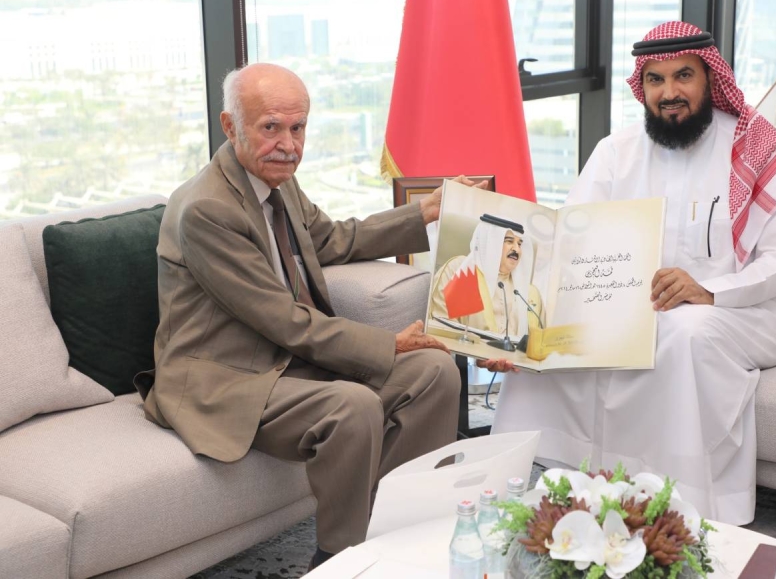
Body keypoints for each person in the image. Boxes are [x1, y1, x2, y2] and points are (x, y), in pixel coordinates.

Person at [134, 63, 510, 570]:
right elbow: (282, 319)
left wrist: (424, 211)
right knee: (352, 406)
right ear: (230, 126)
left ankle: (400, 533)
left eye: (298, 127)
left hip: (286, 361)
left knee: (434, 373)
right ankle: (338, 559)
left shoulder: (277, 182)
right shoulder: (207, 209)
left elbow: (331, 239)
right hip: (226, 377)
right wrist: (387, 343)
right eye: (271, 127)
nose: (288, 144)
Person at [492, 22, 776, 525]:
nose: (669, 92)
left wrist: (707, 290)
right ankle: (547, 485)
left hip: (750, 309)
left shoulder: (755, 148)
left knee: (682, 332)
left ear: (710, 79)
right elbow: (569, 246)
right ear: (642, 86)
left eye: (683, 76)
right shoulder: (617, 152)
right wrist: (522, 332)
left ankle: (681, 507)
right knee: (559, 340)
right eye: (655, 79)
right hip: (638, 307)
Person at [428, 215, 543, 340]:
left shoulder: (529, 293)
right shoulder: (461, 271)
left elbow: (540, 342)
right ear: (491, 242)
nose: (517, 250)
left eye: (519, 244)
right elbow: (442, 325)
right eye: (509, 241)